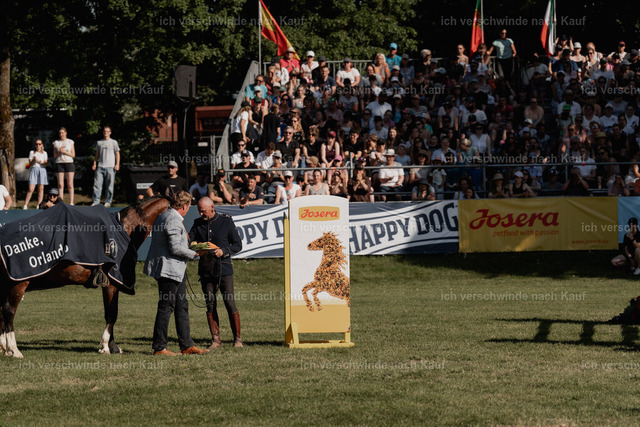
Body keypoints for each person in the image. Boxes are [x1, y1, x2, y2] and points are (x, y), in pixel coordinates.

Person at [143, 191, 209, 356]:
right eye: (189, 206)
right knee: (166, 307)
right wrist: (195, 253)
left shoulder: (163, 216)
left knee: (181, 306)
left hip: (172, 269)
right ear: (185, 206)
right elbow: (175, 248)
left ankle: (187, 346)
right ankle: (160, 347)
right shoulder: (173, 219)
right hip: (169, 270)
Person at [189, 197, 244, 348]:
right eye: (199, 211)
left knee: (230, 304)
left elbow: (238, 245)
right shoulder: (197, 223)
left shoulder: (226, 221)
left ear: (212, 207)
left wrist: (223, 251)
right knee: (210, 305)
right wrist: (195, 247)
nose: (201, 214)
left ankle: (237, 339)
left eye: (203, 211)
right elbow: (190, 242)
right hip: (206, 271)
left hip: (224, 270)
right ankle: (215, 339)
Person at [91, 126, 120, 207]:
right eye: (104, 131)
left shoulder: (114, 142)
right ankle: (96, 201)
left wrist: (117, 164)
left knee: (109, 186)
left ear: (110, 132)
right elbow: (97, 154)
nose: (106, 133)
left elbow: (117, 153)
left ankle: (108, 201)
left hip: (110, 167)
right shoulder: (99, 142)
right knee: (97, 185)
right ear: (103, 132)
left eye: (107, 131)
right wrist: (94, 163)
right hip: (100, 166)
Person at [23, 139, 48, 209]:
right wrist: (34, 160)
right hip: (34, 170)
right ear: (35, 145)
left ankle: (39, 205)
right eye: (36, 144)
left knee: (41, 189)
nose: (38, 145)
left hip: (42, 170)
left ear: (42, 145)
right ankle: (25, 205)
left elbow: (46, 164)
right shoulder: (32, 152)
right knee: (31, 188)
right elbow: (30, 164)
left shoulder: (44, 153)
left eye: (39, 144)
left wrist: (39, 161)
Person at [53, 127, 75, 205]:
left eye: (62, 133)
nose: (61, 134)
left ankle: (71, 202)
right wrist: (60, 152)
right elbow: (55, 156)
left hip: (69, 163)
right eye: (60, 133)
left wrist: (65, 152)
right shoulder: (56, 142)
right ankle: (61, 203)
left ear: (65, 133)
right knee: (60, 184)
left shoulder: (70, 142)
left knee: (70, 184)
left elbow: (73, 155)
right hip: (59, 163)